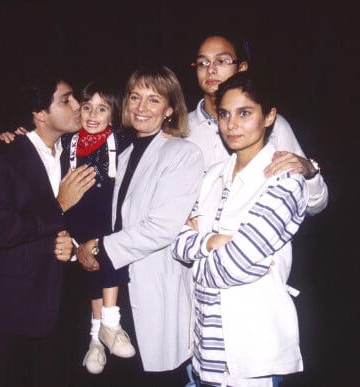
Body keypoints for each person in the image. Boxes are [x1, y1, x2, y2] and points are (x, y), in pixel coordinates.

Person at [172, 71, 307, 386]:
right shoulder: (211, 176)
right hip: (202, 355)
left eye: (245, 113)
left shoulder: (285, 180)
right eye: (224, 114)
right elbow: (175, 241)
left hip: (251, 359)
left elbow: (236, 264)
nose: (232, 124)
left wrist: (197, 254)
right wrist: (211, 244)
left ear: (269, 116)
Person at [76, 65, 204, 385]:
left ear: (171, 109)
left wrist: (97, 247)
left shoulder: (182, 153)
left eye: (153, 100)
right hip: (115, 290)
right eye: (135, 97)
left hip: (153, 290)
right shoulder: (122, 152)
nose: (141, 108)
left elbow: (161, 228)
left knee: (156, 376)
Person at [0, 74, 97, 386]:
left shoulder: (80, 152)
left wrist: (74, 244)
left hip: (69, 305)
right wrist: (58, 207)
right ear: (40, 113)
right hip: (17, 306)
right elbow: (2, 230)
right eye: (66, 99)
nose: (77, 106)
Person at [187, 32, 328, 215]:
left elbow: (314, 205)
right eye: (203, 63)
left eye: (222, 61)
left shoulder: (272, 125)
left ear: (242, 67)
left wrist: (309, 171)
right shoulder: (180, 129)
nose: (211, 70)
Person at [60, 82, 136, 374]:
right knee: (91, 270)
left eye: (102, 109)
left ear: (114, 115)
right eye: (87, 107)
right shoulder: (69, 141)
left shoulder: (122, 139)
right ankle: (98, 336)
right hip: (77, 219)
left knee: (109, 258)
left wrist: (167, 134)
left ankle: (107, 326)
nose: (93, 115)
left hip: (109, 220)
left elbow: (150, 141)